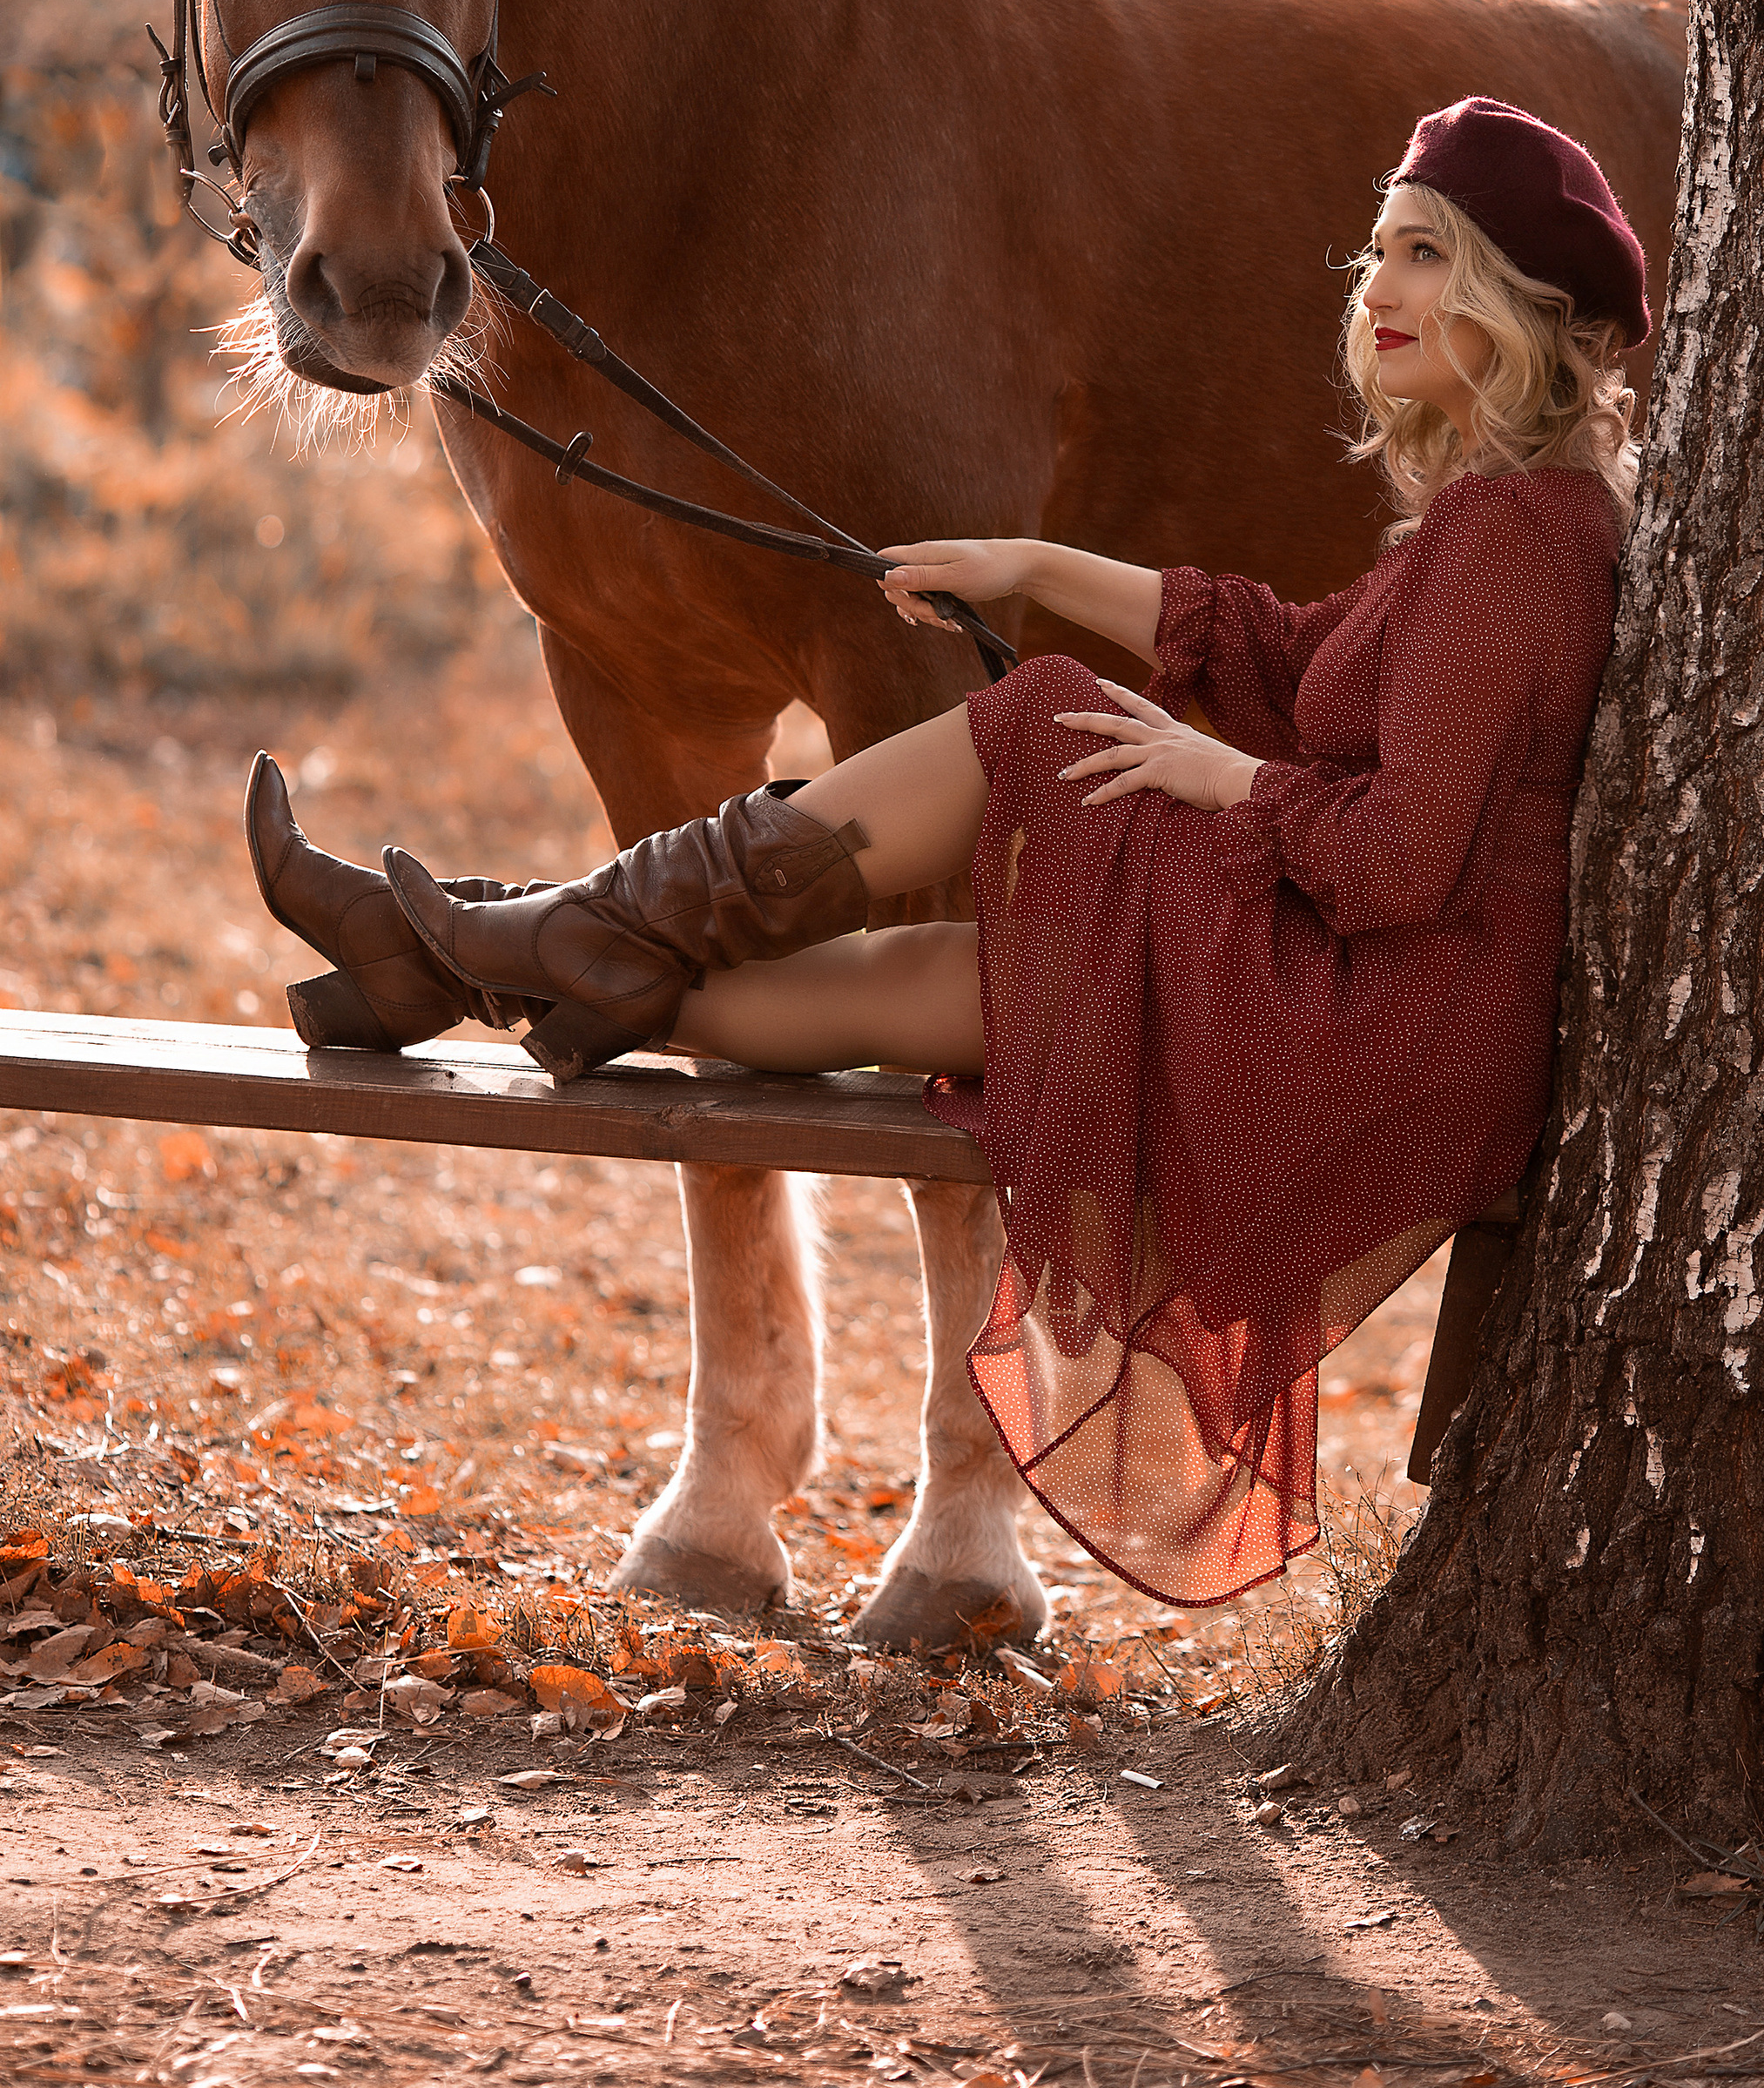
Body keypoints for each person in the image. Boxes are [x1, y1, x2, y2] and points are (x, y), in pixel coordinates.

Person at [246, 97, 1648, 1603]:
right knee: (887, 978)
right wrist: (1033, 564)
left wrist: (1218, 779)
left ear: (1520, 305)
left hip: (1386, 1020)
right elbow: (1290, 653)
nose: (1376, 287)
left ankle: (475, 936)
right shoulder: (1499, 517)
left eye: (1425, 254)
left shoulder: (1515, 537)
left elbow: (1397, 863)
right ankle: (480, 952)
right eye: (1376, 249)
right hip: (1370, 987)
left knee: (1039, 719)